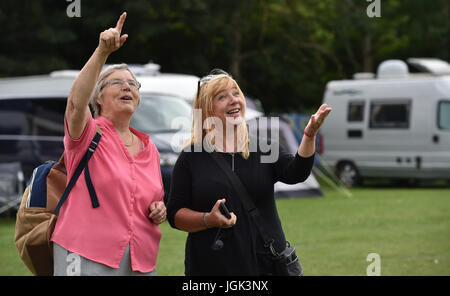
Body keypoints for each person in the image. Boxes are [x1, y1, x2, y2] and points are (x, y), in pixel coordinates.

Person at [167, 69, 331, 276]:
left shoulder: (265, 149)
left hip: (265, 263)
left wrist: (309, 135)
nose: (233, 100)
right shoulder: (191, 157)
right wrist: (209, 219)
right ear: (207, 110)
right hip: (212, 266)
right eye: (222, 97)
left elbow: (297, 173)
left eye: (236, 93)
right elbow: (175, 214)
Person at [51, 12, 167, 276]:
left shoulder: (149, 148)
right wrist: (103, 52)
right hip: (85, 252)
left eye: (133, 84)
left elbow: (153, 199)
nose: (128, 87)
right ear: (99, 98)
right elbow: (75, 103)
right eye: (118, 82)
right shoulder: (88, 134)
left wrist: (160, 209)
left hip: (140, 258)